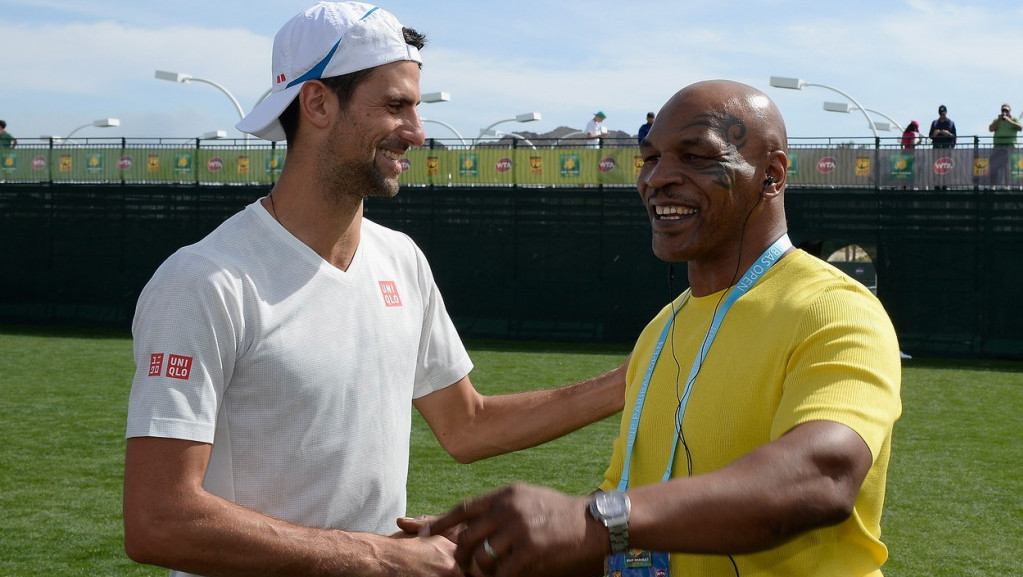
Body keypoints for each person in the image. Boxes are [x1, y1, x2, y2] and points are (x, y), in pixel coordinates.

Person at [121, 3, 626, 577]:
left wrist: (633, 381)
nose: (416, 132)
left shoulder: (401, 259)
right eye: (395, 106)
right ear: (316, 103)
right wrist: (384, 557)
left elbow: (467, 425)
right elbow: (158, 519)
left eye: (415, 107)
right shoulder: (205, 280)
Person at [428, 80, 902, 577]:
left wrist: (591, 520)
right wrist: (497, 545)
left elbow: (820, 476)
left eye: (696, 157)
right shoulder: (663, 328)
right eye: (650, 157)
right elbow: (629, 514)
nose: (658, 178)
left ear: (772, 175)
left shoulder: (835, 309)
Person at [987, 103, 1021, 186]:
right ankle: (993, 185)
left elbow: (1020, 128)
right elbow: (991, 129)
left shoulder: (1014, 119)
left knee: (1008, 168)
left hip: (1010, 147)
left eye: (1006, 110)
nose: (1004, 112)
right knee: (994, 166)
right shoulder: (997, 120)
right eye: (1003, 110)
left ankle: (1007, 185)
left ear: (1010, 111)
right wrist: (998, 120)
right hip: (998, 147)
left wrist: (1009, 121)